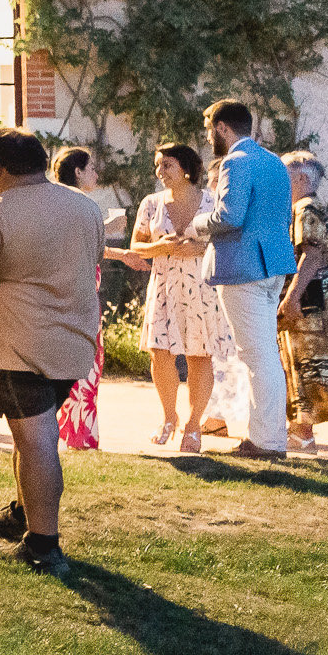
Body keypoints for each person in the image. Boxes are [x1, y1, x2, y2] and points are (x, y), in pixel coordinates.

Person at [0, 127, 104, 577]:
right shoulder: (86, 208)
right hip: (73, 342)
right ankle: (22, 513)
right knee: (31, 436)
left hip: (16, 344)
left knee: (36, 441)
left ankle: (43, 545)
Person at [189, 99, 296, 460]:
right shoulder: (275, 162)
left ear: (221, 127)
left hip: (243, 268)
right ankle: (267, 437)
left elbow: (229, 217)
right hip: (274, 265)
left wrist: (196, 225)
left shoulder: (235, 161)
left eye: (209, 131)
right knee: (265, 354)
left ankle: (266, 442)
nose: (208, 139)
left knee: (257, 356)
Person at [110, 143, 235, 451]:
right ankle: (169, 417)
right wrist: (160, 248)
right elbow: (136, 246)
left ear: (186, 168)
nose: (160, 171)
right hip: (164, 284)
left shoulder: (212, 201)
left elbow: (230, 243)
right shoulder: (151, 203)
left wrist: (202, 248)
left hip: (202, 286)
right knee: (159, 352)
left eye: (166, 165)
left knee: (199, 354)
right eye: (158, 165)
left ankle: (193, 426)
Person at [279, 150, 328, 453]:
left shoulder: (307, 207)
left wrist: (292, 297)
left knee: (326, 369)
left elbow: (312, 255)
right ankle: (302, 433)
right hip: (313, 297)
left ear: (302, 177)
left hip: (312, 298)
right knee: (305, 367)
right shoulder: (302, 207)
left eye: (286, 173)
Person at [48, 147, 108, 453]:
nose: (96, 174)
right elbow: (89, 250)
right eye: (92, 168)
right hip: (82, 298)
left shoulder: (51, 204)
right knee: (86, 365)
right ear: (78, 172)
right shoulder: (84, 206)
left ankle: (67, 434)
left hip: (59, 297)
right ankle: (81, 437)